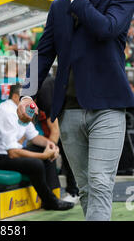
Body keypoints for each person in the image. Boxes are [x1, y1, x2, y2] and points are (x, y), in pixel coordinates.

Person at [17, 0, 134, 221]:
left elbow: (105, 29)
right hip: (69, 111)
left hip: (108, 107)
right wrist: (27, 95)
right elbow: (43, 54)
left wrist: (76, 0)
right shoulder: (59, 8)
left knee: (99, 182)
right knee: (85, 188)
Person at [0, 84, 74, 211]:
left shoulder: (23, 111)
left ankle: (53, 195)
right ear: (15, 97)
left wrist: (50, 145)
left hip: (8, 154)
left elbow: (34, 137)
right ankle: (50, 202)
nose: (30, 101)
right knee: (36, 163)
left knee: (46, 152)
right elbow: (13, 153)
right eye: (25, 97)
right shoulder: (7, 112)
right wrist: (43, 156)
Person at [35, 75, 80, 205]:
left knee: (65, 151)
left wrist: (51, 148)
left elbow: (55, 129)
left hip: (72, 115)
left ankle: (73, 191)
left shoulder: (44, 93)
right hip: (68, 112)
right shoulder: (39, 88)